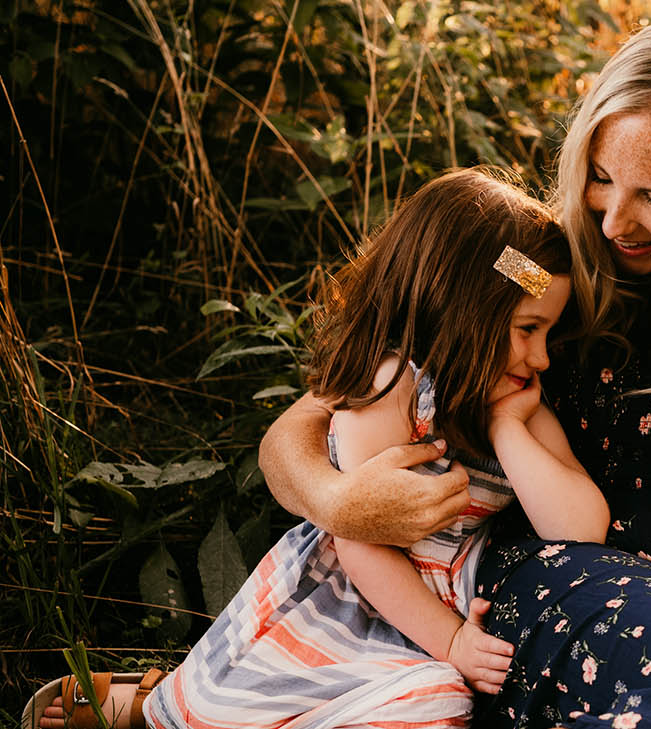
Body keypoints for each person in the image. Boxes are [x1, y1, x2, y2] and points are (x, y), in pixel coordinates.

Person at [46, 11, 651, 729]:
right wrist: (340, 501)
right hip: (558, 581)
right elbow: (311, 416)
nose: (614, 219)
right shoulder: (544, 271)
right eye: (601, 177)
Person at [42, 168, 607, 729]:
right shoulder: (395, 390)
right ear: (463, 312)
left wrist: (507, 429)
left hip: (430, 621)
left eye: (547, 333)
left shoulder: (517, 403)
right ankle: (151, 711)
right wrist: (451, 639)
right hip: (351, 606)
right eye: (526, 329)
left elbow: (581, 529)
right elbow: (358, 536)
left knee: (428, 708)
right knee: (290, 706)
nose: (541, 358)